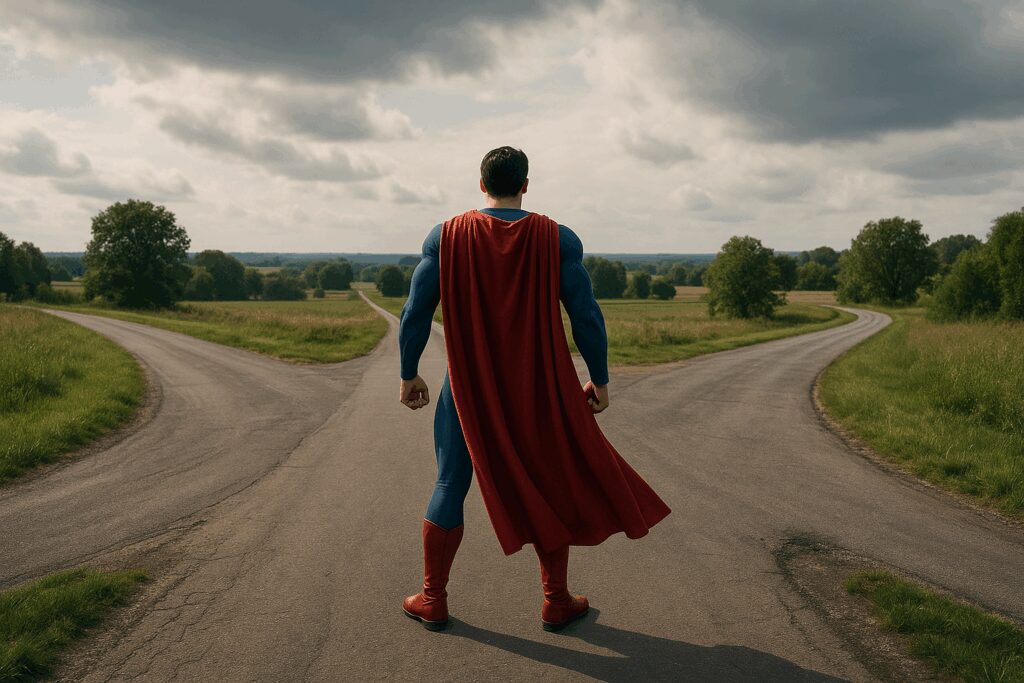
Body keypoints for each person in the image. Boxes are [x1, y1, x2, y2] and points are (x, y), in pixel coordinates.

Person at [398, 146, 670, 633]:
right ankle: (556, 600)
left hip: (466, 388)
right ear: (526, 184)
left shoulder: (446, 237)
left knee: (448, 484)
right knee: (551, 482)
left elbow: (415, 312)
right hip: (540, 386)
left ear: (481, 185)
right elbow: (586, 315)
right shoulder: (557, 239)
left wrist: (407, 371)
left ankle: (432, 598)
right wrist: (600, 380)